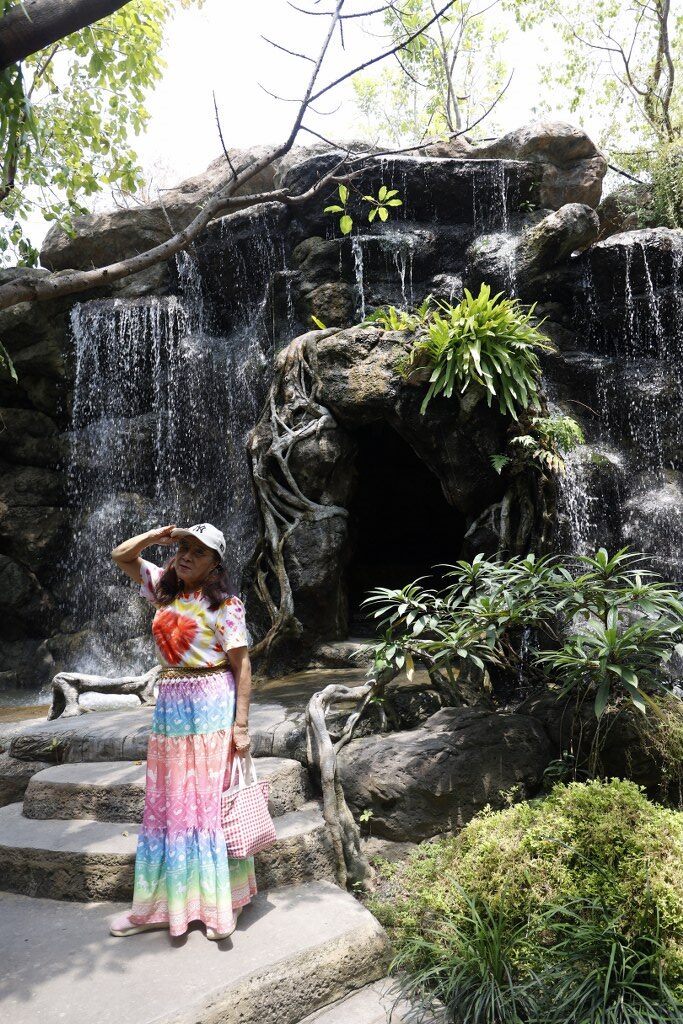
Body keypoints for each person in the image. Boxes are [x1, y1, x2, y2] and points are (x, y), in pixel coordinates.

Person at [107, 522, 256, 941]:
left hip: (211, 705)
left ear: (215, 564)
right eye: (184, 547)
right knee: (170, 802)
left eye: (199, 551)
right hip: (171, 706)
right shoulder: (163, 589)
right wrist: (157, 537)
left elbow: (242, 666)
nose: (187, 555)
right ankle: (160, 907)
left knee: (207, 804)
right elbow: (121, 556)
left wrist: (241, 726)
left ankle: (223, 905)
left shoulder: (226, 605)